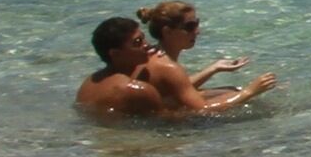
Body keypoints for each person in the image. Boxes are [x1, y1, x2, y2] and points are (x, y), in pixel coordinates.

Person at [77, 13, 275, 119]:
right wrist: (249, 92)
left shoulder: (90, 82)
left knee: (224, 90)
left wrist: (213, 70)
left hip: (107, 135)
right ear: (115, 53)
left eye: (143, 39)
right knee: (239, 97)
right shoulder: (137, 89)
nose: (146, 46)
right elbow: (187, 117)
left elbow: (173, 96)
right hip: (137, 147)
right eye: (137, 43)